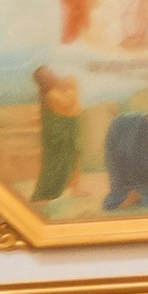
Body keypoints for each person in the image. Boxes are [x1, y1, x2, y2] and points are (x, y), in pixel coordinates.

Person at [30, 64, 85, 204]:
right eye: (48, 74)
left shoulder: (59, 89)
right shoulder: (51, 94)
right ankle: (44, 195)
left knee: (74, 158)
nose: (53, 74)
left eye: (51, 71)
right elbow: (71, 106)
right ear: (44, 80)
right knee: (55, 165)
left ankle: (75, 189)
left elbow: (74, 105)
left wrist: (68, 86)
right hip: (59, 137)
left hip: (69, 131)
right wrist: (71, 88)